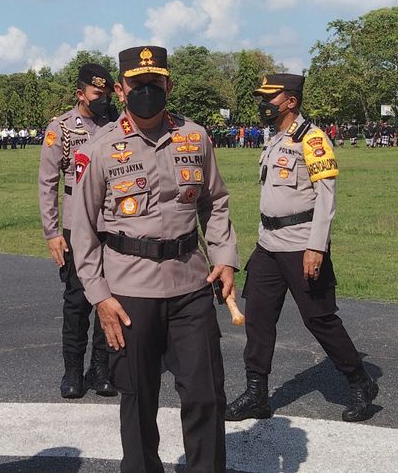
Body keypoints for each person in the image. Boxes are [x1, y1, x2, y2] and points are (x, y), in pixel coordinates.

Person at [69, 46, 238, 473]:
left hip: (190, 284)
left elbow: (215, 202)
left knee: (206, 394)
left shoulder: (195, 136)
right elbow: (84, 229)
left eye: (154, 82)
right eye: (137, 84)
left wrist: (224, 256)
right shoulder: (101, 147)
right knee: (138, 399)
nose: (146, 91)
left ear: (169, 85)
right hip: (129, 292)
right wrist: (99, 296)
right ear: (121, 89)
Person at [226, 73, 378, 424]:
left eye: (271, 97)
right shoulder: (275, 139)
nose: (265, 104)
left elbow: (326, 196)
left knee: (319, 318)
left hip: (302, 244)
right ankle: (256, 394)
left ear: (290, 101)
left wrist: (317, 246)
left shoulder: (313, 139)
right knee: (259, 319)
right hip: (268, 245)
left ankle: (360, 382)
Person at [37, 63, 117, 399]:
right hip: (74, 224)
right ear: (80, 93)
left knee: (108, 295)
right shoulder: (61, 128)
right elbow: (47, 181)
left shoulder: (115, 125)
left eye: (106, 94)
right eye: (97, 94)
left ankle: (100, 367)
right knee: (76, 300)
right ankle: (72, 369)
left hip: (111, 222)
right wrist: (52, 231)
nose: (102, 100)